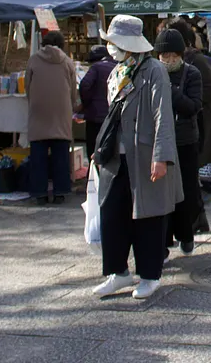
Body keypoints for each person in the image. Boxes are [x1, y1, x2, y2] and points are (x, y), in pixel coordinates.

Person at [92, 15, 183, 300]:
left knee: (148, 217)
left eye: (115, 43)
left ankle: (150, 274)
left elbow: (162, 115)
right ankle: (117, 272)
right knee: (113, 214)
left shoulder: (153, 70)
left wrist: (161, 156)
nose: (112, 48)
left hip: (144, 155)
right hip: (116, 157)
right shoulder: (117, 72)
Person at [168, 19, 211, 218]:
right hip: (190, 121)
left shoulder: (197, 61)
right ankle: (196, 215)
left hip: (201, 121)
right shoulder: (181, 62)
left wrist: (191, 102)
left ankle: (197, 214)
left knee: (194, 167)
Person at [153, 29, 203, 255]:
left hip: (184, 141)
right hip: (158, 142)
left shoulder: (191, 74)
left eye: (174, 56)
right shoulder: (152, 74)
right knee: (159, 192)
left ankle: (186, 234)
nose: (169, 61)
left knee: (186, 191)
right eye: (165, 57)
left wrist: (170, 90)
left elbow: (193, 106)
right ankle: (162, 240)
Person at [25, 31, 80, 204]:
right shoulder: (67, 61)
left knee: (38, 156)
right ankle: (60, 192)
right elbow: (73, 90)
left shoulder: (33, 60)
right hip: (61, 111)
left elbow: (28, 86)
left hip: (39, 111)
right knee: (61, 155)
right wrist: (72, 105)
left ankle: (39, 193)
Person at [79, 45, 116, 160]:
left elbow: (84, 85)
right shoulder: (118, 67)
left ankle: (93, 176)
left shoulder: (96, 67)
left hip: (95, 118)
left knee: (93, 152)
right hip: (113, 118)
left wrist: (86, 103)